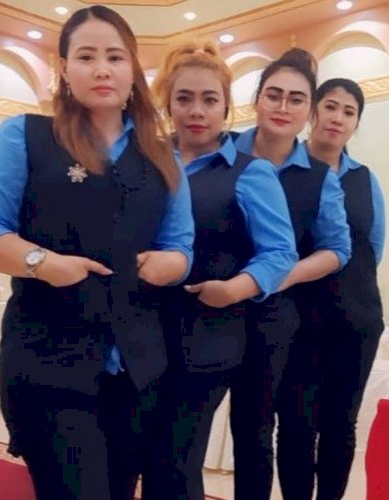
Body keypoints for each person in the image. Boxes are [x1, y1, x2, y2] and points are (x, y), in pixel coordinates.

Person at [0, 6, 194, 500]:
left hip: (136, 368)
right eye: (86, 56)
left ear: (132, 69)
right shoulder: (25, 136)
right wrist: (42, 263)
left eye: (115, 57)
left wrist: (172, 265)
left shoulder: (163, 155)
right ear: (64, 69)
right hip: (48, 362)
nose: (101, 69)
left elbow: (181, 247)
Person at [145, 39, 298, 500]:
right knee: (146, 457)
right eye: (184, 98)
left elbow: (280, 253)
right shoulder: (146, 162)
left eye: (209, 99)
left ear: (226, 107)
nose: (197, 111)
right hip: (141, 332)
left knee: (177, 462)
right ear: (168, 104)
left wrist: (234, 289)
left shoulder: (250, 172)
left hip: (207, 337)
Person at [232, 49, 352, 500]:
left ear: (309, 111)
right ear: (257, 100)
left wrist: (278, 276)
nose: (283, 107)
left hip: (281, 317)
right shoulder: (223, 153)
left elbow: (338, 250)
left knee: (267, 429)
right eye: (274, 95)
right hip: (208, 311)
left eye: (296, 99)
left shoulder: (319, 176)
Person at [296, 77, 385, 500]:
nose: (338, 118)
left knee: (340, 423)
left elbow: (374, 246)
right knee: (297, 424)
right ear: (313, 111)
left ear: (356, 123)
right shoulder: (285, 171)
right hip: (296, 320)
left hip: (356, 320)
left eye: (349, 112)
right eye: (330, 106)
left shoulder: (365, 179)